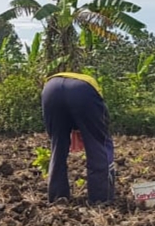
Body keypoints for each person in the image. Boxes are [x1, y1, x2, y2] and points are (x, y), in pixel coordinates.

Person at [41, 71, 115, 204]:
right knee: (98, 144)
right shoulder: (94, 91)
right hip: (83, 90)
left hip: (50, 88)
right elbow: (99, 130)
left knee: (57, 144)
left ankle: (57, 196)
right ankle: (100, 198)